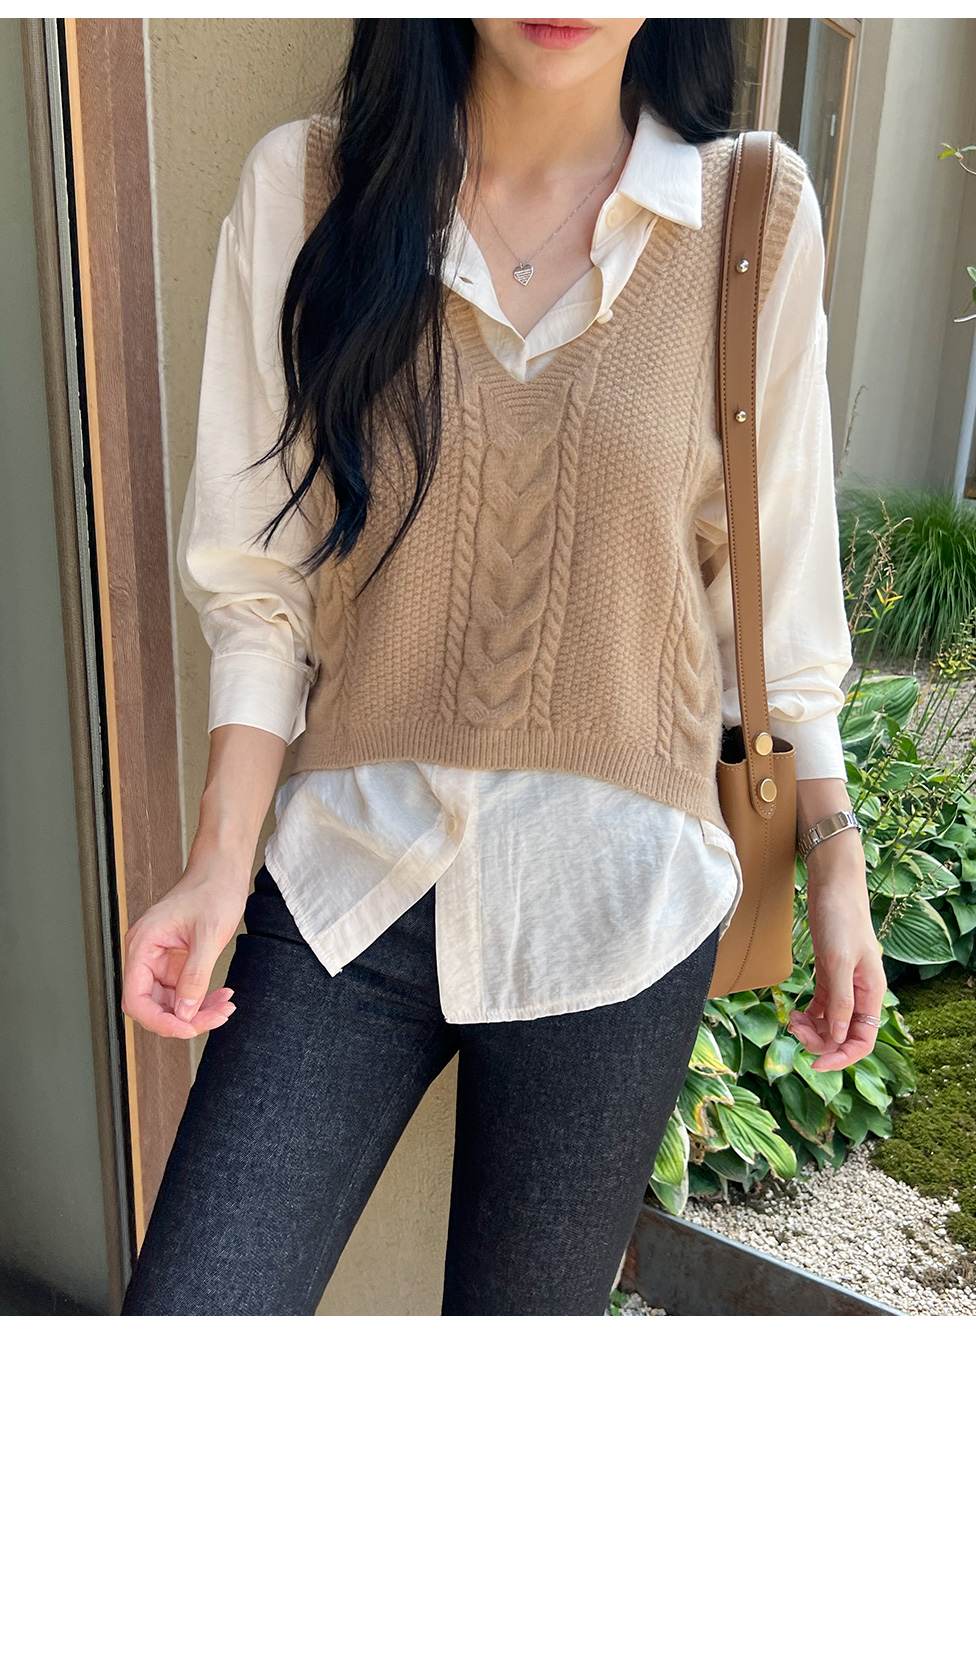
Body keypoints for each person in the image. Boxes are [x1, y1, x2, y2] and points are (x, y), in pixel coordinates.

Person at [120, 19, 886, 1316]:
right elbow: (261, 584)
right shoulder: (306, 188)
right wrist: (216, 861)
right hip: (350, 878)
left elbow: (777, 589)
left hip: (622, 905)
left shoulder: (750, 215)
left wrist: (836, 865)